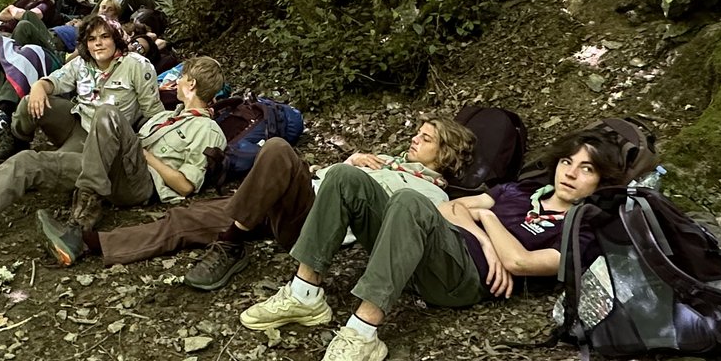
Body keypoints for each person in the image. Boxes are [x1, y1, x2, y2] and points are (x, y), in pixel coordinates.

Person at [237, 131, 619, 361]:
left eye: (586, 169)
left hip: (462, 279)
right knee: (344, 176)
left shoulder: (583, 228)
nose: (570, 172)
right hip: (432, 248)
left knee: (409, 202)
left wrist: (485, 225)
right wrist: (487, 232)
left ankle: (363, 335)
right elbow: (452, 207)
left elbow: (520, 262)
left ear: (600, 181)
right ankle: (306, 293)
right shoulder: (520, 192)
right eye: (568, 161)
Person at [78, 115, 475, 290]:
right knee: (190, 216)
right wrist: (349, 162)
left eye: (425, 139)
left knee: (279, 148)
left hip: (316, 222)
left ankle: (232, 241)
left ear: (445, 155)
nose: (414, 140)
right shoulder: (386, 161)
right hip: (295, 199)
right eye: (417, 133)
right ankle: (96, 243)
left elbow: (396, 228)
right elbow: (333, 178)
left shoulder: (430, 194)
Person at [0, 57, 224, 260]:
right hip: (111, 170)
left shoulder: (208, 130)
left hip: (139, 185)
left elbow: (186, 185)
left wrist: (146, 154)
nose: (175, 82)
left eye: (181, 78)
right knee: (29, 162)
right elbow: (101, 151)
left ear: (191, 84)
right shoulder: (164, 117)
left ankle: (80, 224)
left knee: (107, 113)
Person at [0, 12, 158, 162]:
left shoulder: (137, 65)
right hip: (76, 118)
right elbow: (56, 81)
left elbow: (152, 111)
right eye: (91, 39)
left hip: (99, 137)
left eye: (105, 37)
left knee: (53, 164)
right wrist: (39, 86)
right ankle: (18, 143)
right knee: (29, 101)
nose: (98, 43)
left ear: (116, 39)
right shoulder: (82, 62)